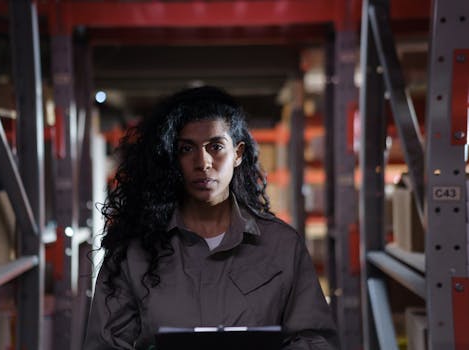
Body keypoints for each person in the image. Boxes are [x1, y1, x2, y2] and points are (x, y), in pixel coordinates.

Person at [84, 86, 339, 349]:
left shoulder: (282, 246)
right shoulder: (134, 253)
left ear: (238, 154)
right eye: (186, 149)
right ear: (172, 158)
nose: (203, 162)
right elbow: (105, 344)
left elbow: (314, 339)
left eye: (216, 146)